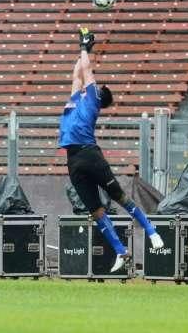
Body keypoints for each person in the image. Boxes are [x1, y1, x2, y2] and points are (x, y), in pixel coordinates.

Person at [59, 27, 164, 273]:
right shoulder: (77, 98)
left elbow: (86, 71)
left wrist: (86, 48)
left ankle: (152, 232)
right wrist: (81, 49)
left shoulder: (93, 98)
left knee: (119, 196)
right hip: (73, 159)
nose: (90, 83)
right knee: (95, 211)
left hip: (89, 153)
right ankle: (120, 251)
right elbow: (77, 75)